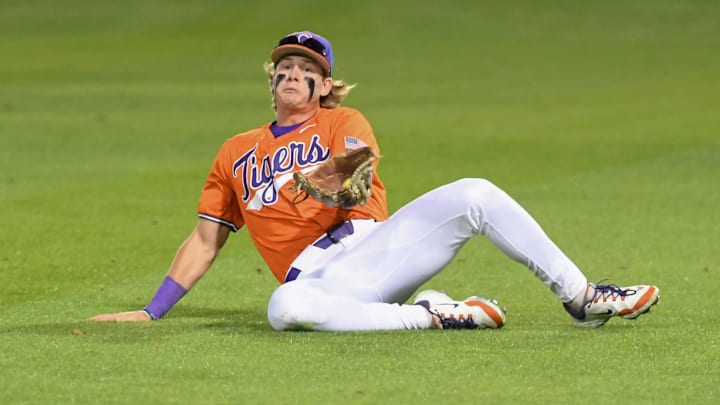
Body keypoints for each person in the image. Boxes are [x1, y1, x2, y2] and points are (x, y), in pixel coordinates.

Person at [90, 30, 660, 330]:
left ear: (324, 87)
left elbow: (357, 178)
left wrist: (317, 185)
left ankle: (583, 296)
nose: (293, 75)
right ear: (271, 82)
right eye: (284, 69)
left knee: (474, 193)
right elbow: (204, 239)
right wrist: (152, 310)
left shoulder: (344, 122)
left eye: (306, 71)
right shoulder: (235, 151)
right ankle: (438, 315)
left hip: (375, 250)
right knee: (285, 308)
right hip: (317, 280)